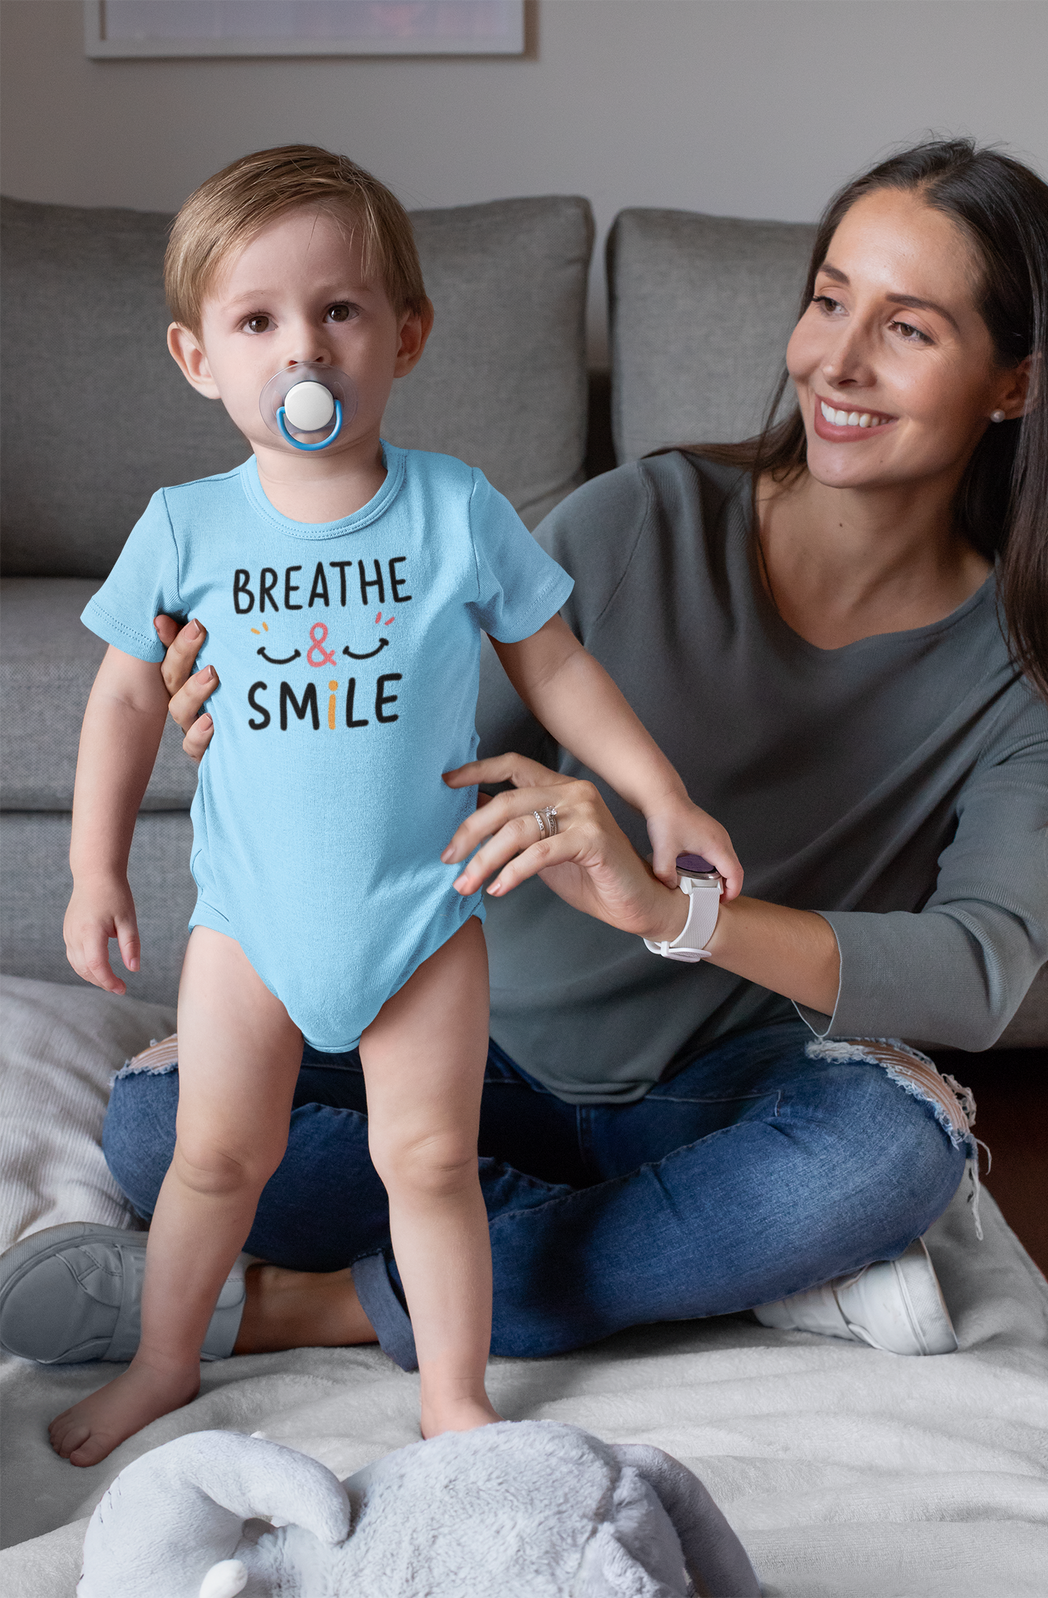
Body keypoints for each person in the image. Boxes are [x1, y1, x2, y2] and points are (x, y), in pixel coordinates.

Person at [3, 138, 1048, 1411]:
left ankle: (319, 1300)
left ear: (1016, 381)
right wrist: (249, 706)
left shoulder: (1022, 673)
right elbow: (409, 728)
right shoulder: (646, 517)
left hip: (706, 1092)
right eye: (828, 298)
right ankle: (682, 1259)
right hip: (477, 1041)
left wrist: (672, 910)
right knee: (164, 1124)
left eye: (908, 328)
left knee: (884, 1159)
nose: (836, 359)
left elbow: (982, 967)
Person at [43, 146, 740, 1467]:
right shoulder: (186, 526)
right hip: (250, 920)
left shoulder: (455, 507)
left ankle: (452, 1393)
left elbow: (557, 663)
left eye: (339, 311)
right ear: (199, 356)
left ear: (405, 334)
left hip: (423, 914)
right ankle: (165, 1358)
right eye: (258, 322)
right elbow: (127, 704)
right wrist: (97, 869)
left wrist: (658, 790)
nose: (302, 350)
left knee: (429, 1161)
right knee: (209, 1159)